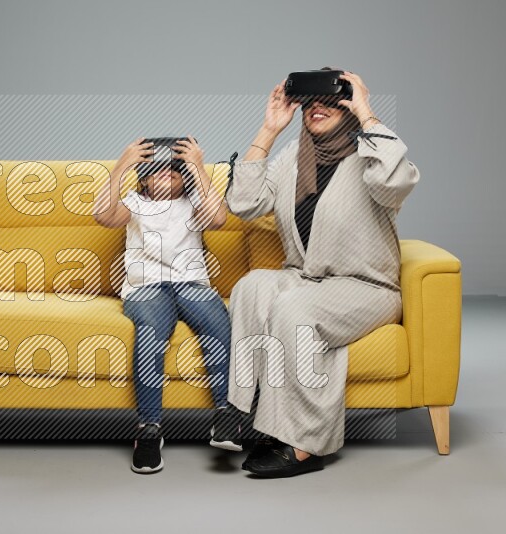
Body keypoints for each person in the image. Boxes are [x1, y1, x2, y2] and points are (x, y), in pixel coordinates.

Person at [225, 70, 420, 478]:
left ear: (349, 108)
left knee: (294, 310)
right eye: (311, 102)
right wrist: (269, 129)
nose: (319, 107)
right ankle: (243, 412)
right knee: (251, 287)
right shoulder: (294, 156)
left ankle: (306, 443)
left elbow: (394, 182)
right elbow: (243, 203)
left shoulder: (370, 155)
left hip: (366, 287)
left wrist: (366, 112)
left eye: (331, 100)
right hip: (307, 278)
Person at [93, 136, 243, 473]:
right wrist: (122, 164)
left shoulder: (193, 203)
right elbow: (103, 216)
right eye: (156, 170)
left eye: (173, 170)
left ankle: (225, 415)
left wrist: (197, 167)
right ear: (143, 180)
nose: (165, 172)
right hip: (146, 287)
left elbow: (218, 220)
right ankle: (149, 429)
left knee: (218, 321)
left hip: (191, 284)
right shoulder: (134, 202)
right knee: (150, 333)